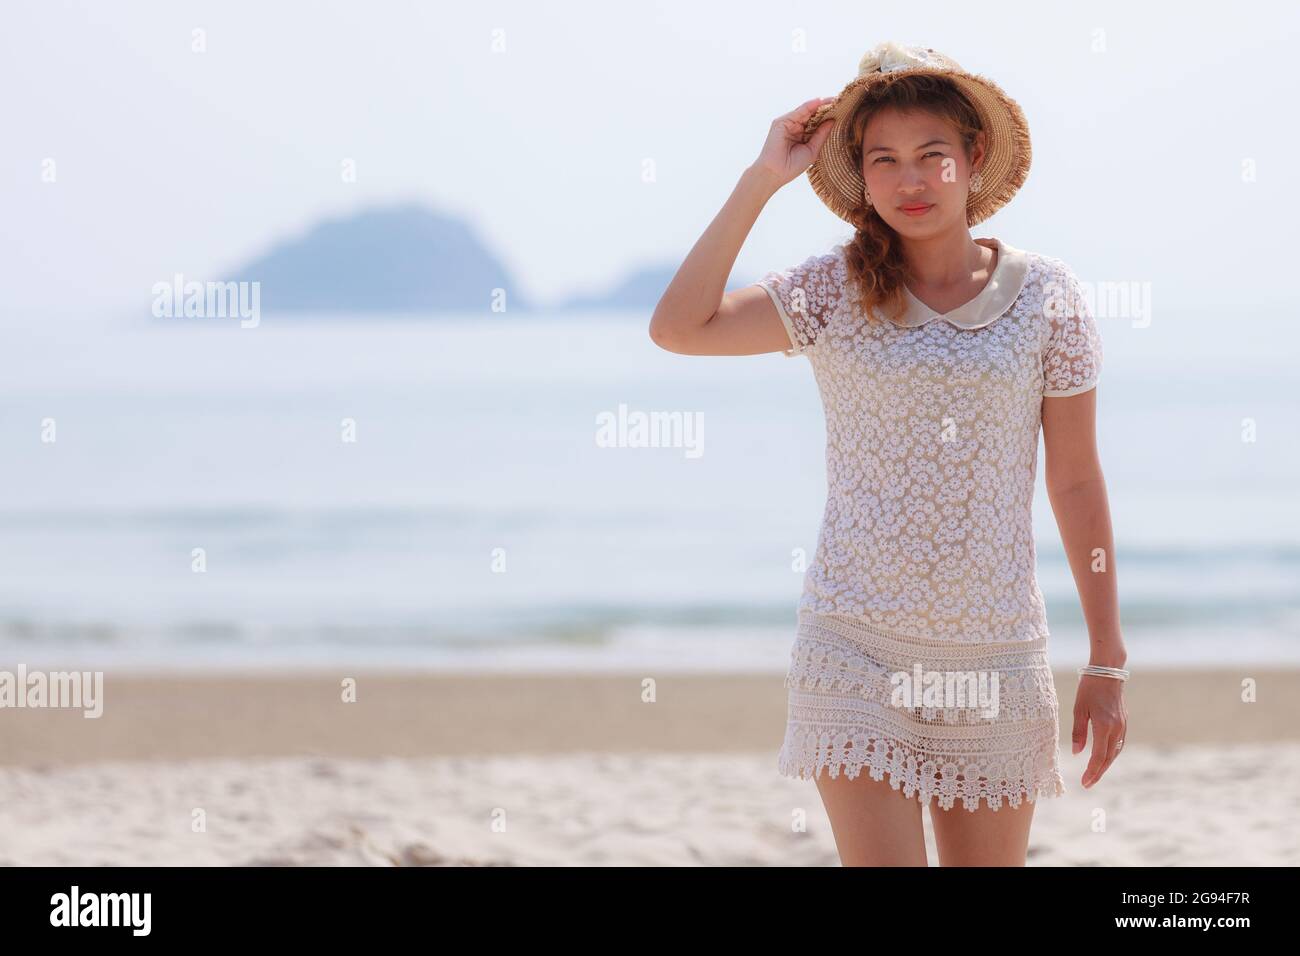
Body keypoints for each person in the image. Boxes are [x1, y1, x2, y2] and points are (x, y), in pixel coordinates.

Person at [649, 42, 1128, 866]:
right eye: (885, 160)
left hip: (995, 656)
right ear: (860, 176)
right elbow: (679, 327)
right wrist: (764, 176)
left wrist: (1107, 658)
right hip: (854, 648)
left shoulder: (1049, 297)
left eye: (931, 157)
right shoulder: (832, 290)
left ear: (972, 159)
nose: (910, 181)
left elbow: (1076, 480)